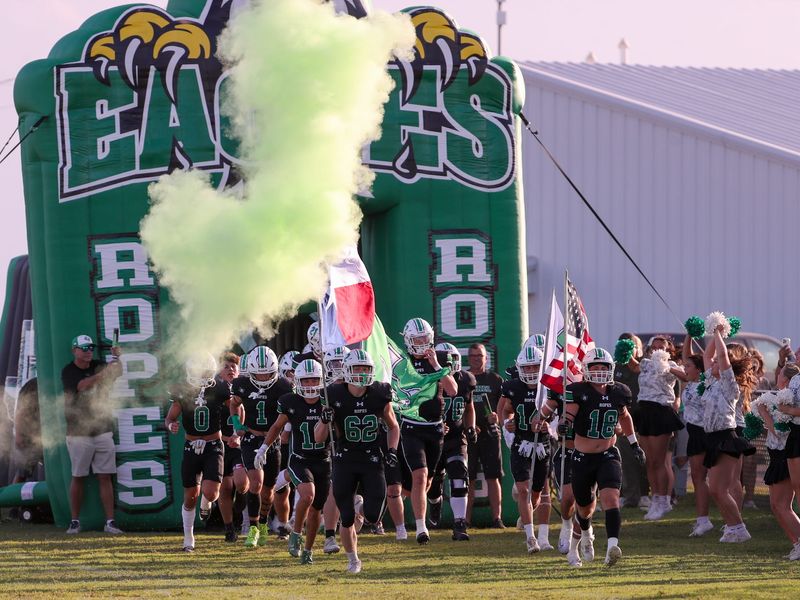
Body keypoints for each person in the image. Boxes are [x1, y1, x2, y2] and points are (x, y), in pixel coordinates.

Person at [561, 347, 645, 567]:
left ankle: (611, 548)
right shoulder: (579, 391)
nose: (599, 371)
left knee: (611, 499)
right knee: (585, 509)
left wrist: (634, 443)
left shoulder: (619, 391)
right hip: (582, 457)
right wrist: (565, 424)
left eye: (603, 367)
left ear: (611, 369)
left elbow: (624, 417)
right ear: (586, 369)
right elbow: (569, 413)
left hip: (608, 454)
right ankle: (576, 546)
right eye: (595, 367)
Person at [320, 349, 400, 573]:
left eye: (366, 368)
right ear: (347, 370)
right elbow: (319, 437)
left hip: (372, 460)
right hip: (344, 460)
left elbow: (393, 426)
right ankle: (353, 559)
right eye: (358, 368)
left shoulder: (379, 393)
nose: (362, 373)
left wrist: (392, 449)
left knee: (373, 515)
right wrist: (324, 420)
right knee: (345, 518)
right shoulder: (333, 394)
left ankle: (360, 506)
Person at [261, 359, 331, 565]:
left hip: (324, 460)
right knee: (308, 495)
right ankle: (295, 534)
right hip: (299, 459)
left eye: (314, 381)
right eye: (306, 381)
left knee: (317, 509)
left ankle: (308, 550)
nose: (310, 385)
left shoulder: (327, 401)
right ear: (298, 382)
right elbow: (276, 427)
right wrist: (264, 448)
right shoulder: (290, 401)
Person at [398, 317, 457, 544]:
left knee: (429, 480)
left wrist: (436, 367)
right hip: (412, 427)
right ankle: (421, 528)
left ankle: (434, 500)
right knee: (419, 476)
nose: (422, 343)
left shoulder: (441, 358)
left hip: (435, 428)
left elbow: (452, 390)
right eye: (417, 339)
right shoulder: (403, 362)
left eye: (425, 338)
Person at [229, 346, 293, 548]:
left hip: (272, 441)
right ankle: (254, 529)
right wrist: (237, 424)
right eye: (259, 373)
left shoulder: (283, 386)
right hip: (251, 438)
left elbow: (290, 410)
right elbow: (234, 403)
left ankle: (263, 524)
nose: (264, 377)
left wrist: (286, 431)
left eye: (267, 373)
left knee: (268, 491)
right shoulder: (242, 384)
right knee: (255, 484)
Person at [61, 334, 124, 535]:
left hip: (102, 429)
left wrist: (117, 358)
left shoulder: (99, 364)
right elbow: (81, 386)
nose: (89, 351)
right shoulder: (68, 371)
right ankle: (74, 521)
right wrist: (104, 373)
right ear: (75, 350)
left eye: (90, 348)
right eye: (84, 348)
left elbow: (117, 372)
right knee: (78, 476)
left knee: (105, 476)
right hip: (78, 432)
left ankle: (110, 522)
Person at [165, 353, 228, 552]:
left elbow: (235, 406)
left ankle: (206, 503)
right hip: (191, 446)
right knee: (190, 495)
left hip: (213, 445)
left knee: (211, 492)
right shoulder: (182, 389)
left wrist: (236, 424)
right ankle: (188, 538)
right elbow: (170, 417)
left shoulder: (219, 387)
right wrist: (171, 425)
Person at [701, 323, 756, 543]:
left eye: (718, 364)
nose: (713, 363)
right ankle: (733, 527)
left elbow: (721, 356)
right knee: (715, 489)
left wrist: (718, 332)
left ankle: (738, 528)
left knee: (718, 489)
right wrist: (715, 334)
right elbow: (708, 354)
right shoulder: (710, 382)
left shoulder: (728, 384)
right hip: (712, 438)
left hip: (725, 437)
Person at [498, 345, 550, 554]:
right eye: (526, 368)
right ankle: (531, 537)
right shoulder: (513, 387)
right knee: (523, 491)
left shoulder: (548, 388)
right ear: (519, 369)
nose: (530, 372)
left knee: (536, 496)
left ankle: (526, 516)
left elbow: (561, 415)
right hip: (521, 444)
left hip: (543, 445)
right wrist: (507, 422)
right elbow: (505, 410)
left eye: (534, 367)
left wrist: (550, 426)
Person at [427, 343, 476, 541]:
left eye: (452, 360)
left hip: (456, 437)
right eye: (445, 361)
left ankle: (459, 524)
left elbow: (469, 406)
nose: (450, 364)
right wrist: (435, 424)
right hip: (432, 438)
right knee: (433, 482)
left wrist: (470, 426)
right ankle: (435, 502)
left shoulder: (466, 380)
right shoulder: (428, 381)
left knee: (459, 477)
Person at [634, 335, 685, 521]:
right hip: (644, 410)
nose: (657, 350)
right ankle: (655, 499)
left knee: (659, 460)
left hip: (661, 412)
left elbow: (686, 376)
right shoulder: (646, 363)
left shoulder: (672, 365)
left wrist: (668, 366)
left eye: (661, 347)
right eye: (654, 347)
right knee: (649, 461)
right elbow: (633, 365)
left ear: (668, 349)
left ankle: (664, 500)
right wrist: (626, 352)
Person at [760, 363, 800, 560]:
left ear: (786, 379)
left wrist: (764, 414)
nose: (777, 375)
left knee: (782, 505)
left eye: (780, 373)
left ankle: (799, 543)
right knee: (776, 505)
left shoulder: (789, 399)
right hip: (776, 455)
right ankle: (796, 543)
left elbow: (781, 432)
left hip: (784, 455)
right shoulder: (778, 397)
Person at [466, 342, 505, 528]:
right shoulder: (463, 378)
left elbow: (507, 409)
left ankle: (497, 519)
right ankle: (464, 520)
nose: (476, 359)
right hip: (468, 434)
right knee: (468, 477)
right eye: (472, 356)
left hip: (490, 434)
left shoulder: (495, 380)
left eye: (479, 356)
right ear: (468, 358)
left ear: (486, 358)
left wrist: (498, 417)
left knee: (493, 476)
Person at [679, 338, 713, 538]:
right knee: (698, 478)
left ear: (699, 370)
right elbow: (687, 357)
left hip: (704, 433)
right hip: (694, 431)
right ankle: (703, 520)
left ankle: (732, 523)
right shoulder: (691, 381)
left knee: (705, 479)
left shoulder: (704, 382)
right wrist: (689, 336)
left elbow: (699, 360)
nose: (685, 368)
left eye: (688, 367)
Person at [214, 352, 248, 543]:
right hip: (220, 443)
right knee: (225, 487)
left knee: (242, 482)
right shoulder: (215, 389)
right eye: (226, 366)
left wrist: (237, 434)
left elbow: (241, 410)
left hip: (238, 443)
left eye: (234, 366)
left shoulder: (244, 387)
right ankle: (229, 528)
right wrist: (225, 437)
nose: (231, 369)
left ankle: (240, 505)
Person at [613, 333, 649, 510]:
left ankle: (645, 494)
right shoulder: (615, 367)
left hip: (643, 417)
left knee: (645, 458)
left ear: (638, 347)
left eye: (630, 345)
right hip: (623, 418)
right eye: (622, 345)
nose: (626, 348)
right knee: (625, 458)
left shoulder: (644, 365)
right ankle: (629, 495)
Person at [321, 345, 350, 555]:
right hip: (331, 444)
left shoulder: (361, 387)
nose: (339, 367)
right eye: (334, 363)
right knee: (334, 488)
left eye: (342, 362)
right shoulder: (326, 391)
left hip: (359, 445)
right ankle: (330, 535)